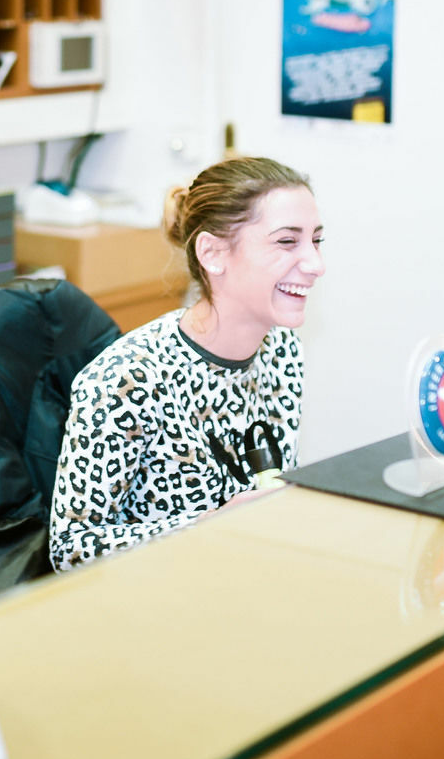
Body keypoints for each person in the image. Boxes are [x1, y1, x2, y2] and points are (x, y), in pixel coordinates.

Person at [48, 156, 324, 571]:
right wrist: (210, 526)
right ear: (213, 253)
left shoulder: (283, 349)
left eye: (316, 241)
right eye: (287, 242)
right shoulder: (127, 378)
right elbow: (70, 550)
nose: (316, 264)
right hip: (154, 607)